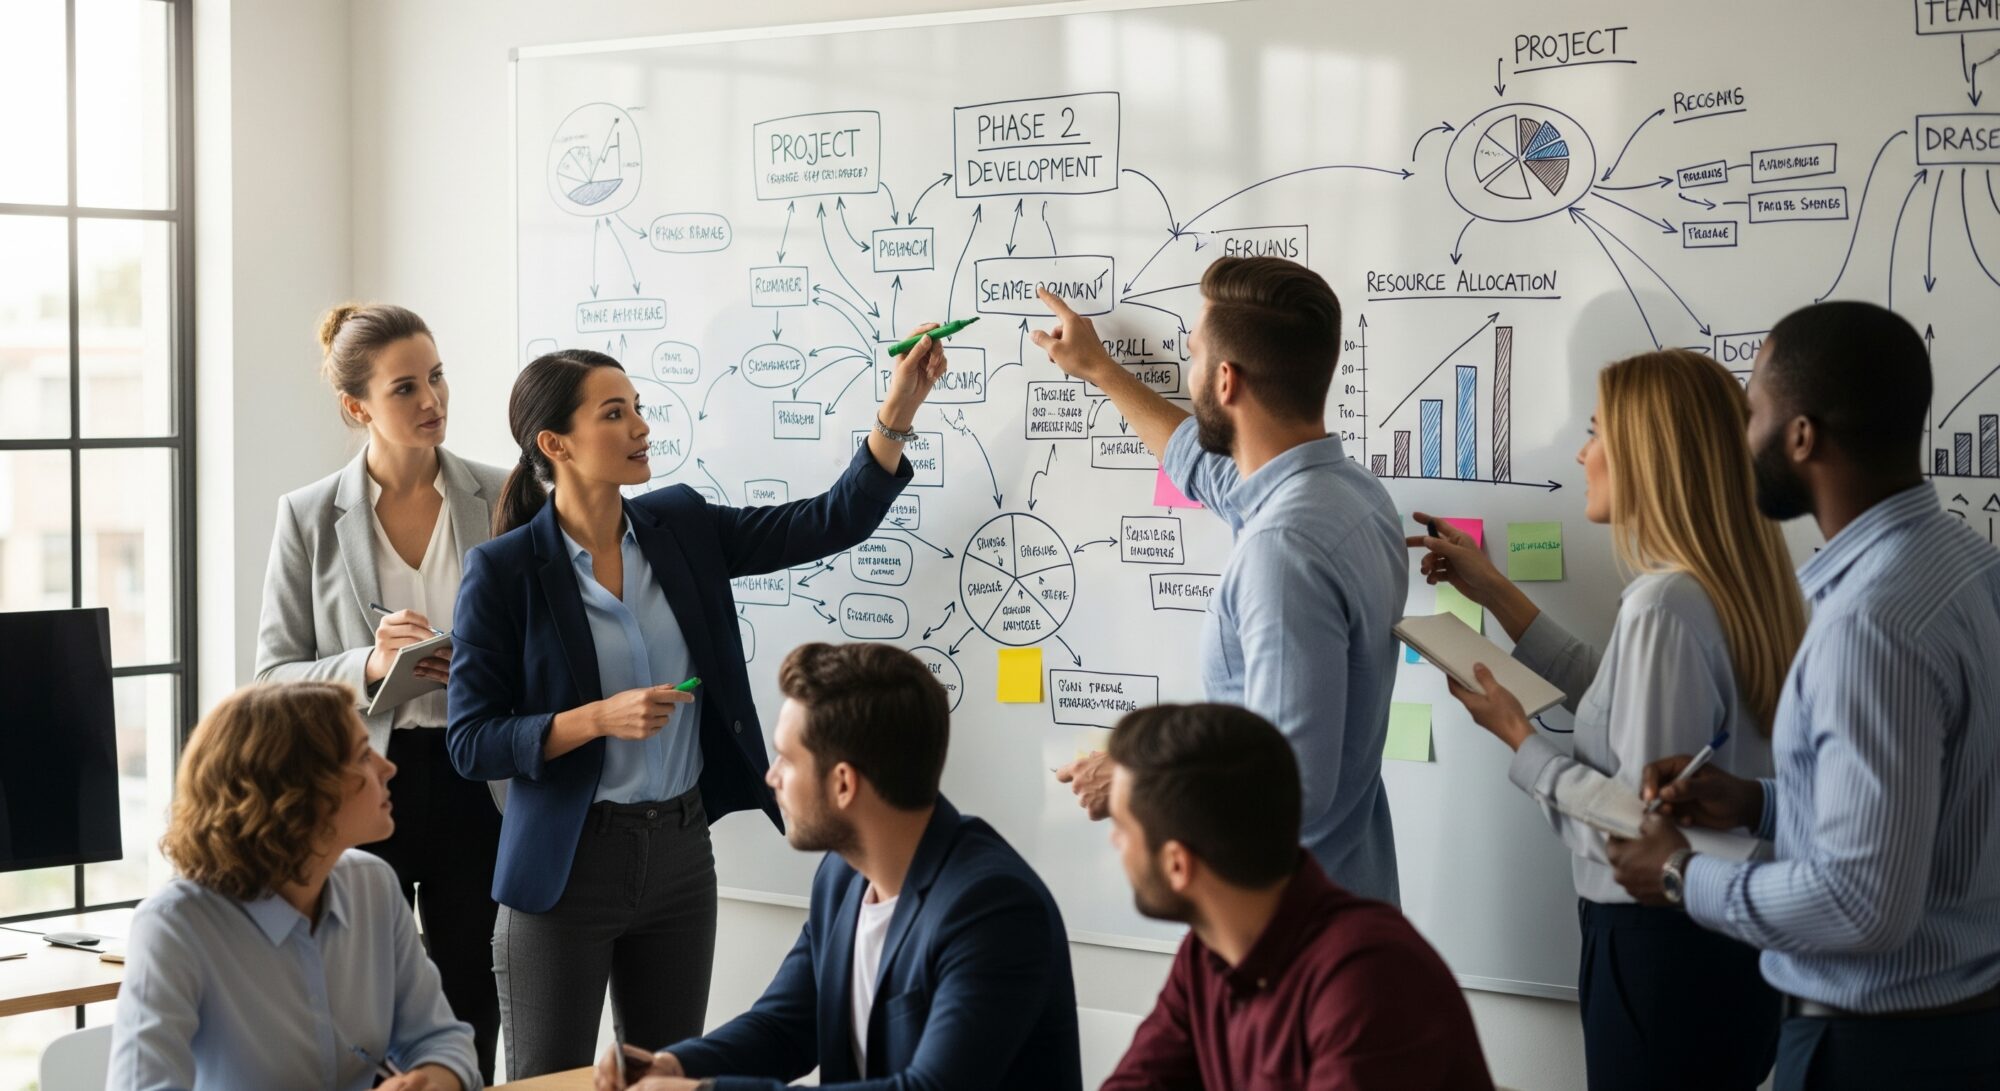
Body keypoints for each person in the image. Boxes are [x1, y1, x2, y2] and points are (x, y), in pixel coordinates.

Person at [450, 335, 948, 1077]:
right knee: (546, 1082)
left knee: (667, 1075)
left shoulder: (679, 526)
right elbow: (471, 741)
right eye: (615, 413)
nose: (642, 427)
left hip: (681, 854)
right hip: (564, 868)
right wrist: (596, 718)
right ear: (555, 443)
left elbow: (826, 521)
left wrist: (897, 412)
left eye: (639, 408)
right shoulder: (505, 569)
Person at [1603, 302, 2000, 1089]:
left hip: (1877, 1051)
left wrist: (1681, 874)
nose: (1740, 437)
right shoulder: (1963, 562)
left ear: (1802, 436)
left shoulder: (1872, 623)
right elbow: (1925, 803)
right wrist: (1759, 803)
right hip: (1960, 1029)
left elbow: (1862, 899)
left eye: (1753, 410)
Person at [1409, 348, 1801, 1088]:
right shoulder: (1723, 587)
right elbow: (1618, 700)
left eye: (1596, 433)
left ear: (1649, 458)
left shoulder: (1665, 606)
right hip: (1719, 950)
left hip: (1660, 947)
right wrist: (1495, 590)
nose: (1581, 453)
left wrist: (1517, 738)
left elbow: (1635, 824)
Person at [1034, 257, 1409, 905]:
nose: (1190, 367)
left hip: (1287, 930)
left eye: (1194, 353)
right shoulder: (1351, 495)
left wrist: (1133, 776)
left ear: (1226, 380)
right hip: (1349, 895)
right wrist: (1101, 369)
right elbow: (1205, 469)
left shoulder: (1282, 550)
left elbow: (1290, 782)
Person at [595, 641, 1080, 1090]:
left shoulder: (993, 910)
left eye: (787, 759)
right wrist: (675, 1066)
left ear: (844, 784)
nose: (771, 777)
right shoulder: (843, 876)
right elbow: (785, 1027)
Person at [255, 302, 507, 1079]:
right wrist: (367, 663)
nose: (432, 401)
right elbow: (271, 677)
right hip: (366, 783)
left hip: (477, 777)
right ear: (356, 406)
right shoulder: (307, 517)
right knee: (360, 991)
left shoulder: (501, 495)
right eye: (405, 388)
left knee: (472, 982)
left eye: (436, 377)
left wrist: (489, 658)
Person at [1098, 702, 1492, 1089]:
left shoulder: (1368, 977)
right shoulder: (1206, 954)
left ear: (1178, 865)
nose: (1115, 841)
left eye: (1122, 827)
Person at [107, 681, 479, 1091]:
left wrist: (431, 1082)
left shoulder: (373, 886)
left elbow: (441, 1039)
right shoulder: (174, 926)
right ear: (297, 792)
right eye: (361, 755)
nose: (388, 766)